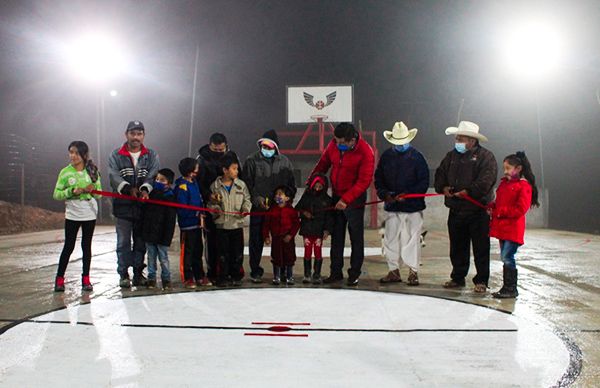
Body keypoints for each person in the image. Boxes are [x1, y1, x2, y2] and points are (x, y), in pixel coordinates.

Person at [434, 121, 497, 293]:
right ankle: (458, 277)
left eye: (460, 138)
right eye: (457, 138)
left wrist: (469, 192)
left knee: (481, 248)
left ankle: (481, 280)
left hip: (478, 212)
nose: (457, 141)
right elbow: (440, 174)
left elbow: (486, 181)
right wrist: (443, 187)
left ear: (471, 140)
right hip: (456, 210)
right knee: (457, 247)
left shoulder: (486, 157)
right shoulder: (451, 157)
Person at [308, 122, 375, 286]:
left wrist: (347, 200)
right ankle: (335, 272)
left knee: (355, 237)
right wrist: (312, 181)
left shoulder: (366, 152)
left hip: (354, 199)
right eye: (336, 141)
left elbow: (364, 181)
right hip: (336, 195)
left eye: (342, 143)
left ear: (352, 140)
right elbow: (323, 164)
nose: (338, 145)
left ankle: (354, 273)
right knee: (336, 237)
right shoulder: (334, 145)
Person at [375, 122, 429, 286]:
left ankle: (413, 272)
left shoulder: (417, 157)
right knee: (390, 239)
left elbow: (424, 181)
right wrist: (386, 195)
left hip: (413, 207)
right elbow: (379, 180)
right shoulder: (386, 157)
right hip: (393, 207)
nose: (400, 145)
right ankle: (393, 270)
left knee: (412, 239)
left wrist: (409, 195)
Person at [108, 120, 160, 288]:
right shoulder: (116, 155)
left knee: (140, 242)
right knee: (123, 242)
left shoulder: (151, 155)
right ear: (126, 135)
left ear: (143, 136)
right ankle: (123, 274)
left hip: (143, 207)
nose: (136, 137)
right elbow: (113, 176)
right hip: (123, 207)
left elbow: (153, 174)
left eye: (139, 134)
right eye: (133, 133)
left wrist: (145, 190)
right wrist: (128, 188)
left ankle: (138, 273)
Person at [242, 129, 296, 283]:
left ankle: (284, 270)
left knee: (282, 241)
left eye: (269, 146)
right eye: (263, 146)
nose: (266, 149)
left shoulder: (285, 162)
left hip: (279, 210)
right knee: (256, 240)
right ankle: (255, 270)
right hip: (259, 209)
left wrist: (286, 201)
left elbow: (291, 185)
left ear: (276, 147)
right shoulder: (251, 160)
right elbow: (246, 184)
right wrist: (256, 199)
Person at [52, 141, 102, 292]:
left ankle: (86, 279)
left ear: (84, 155)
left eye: (76, 153)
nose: (72, 156)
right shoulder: (65, 172)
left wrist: (93, 189)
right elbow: (56, 194)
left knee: (86, 246)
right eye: (71, 152)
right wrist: (71, 191)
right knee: (69, 246)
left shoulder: (92, 170)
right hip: (73, 213)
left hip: (89, 213)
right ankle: (59, 279)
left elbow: (99, 193)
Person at [489, 151, 539, 298]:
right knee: (505, 256)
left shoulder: (523, 186)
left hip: (512, 229)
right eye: (504, 168)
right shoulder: (504, 184)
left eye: (508, 168)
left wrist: (500, 212)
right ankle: (507, 287)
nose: (505, 171)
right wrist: (492, 206)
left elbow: (520, 209)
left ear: (518, 169)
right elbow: (500, 202)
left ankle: (511, 288)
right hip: (502, 228)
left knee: (507, 256)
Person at [196, 133, 241, 283]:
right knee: (213, 240)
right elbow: (199, 183)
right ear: (210, 146)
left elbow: (240, 178)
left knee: (232, 242)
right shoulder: (202, 160)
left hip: (231, 207)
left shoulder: (232, 156)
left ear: (226, 146)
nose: (219, 152)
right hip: (212, 207)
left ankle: (232, 272)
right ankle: (214, 272)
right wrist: (209, 196)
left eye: (221, 149)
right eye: (216, 149)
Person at [208, 154, 251, 287]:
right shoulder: (215, 186)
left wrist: (245, 208)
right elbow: (210, 204)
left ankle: (236, 276)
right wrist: (215, 210)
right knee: (222, 254)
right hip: (222, 227)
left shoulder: (241, 185)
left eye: (237, 169)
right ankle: (222, 277)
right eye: (234, 169)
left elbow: (247, 199)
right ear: (225, 170)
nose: (236, 171)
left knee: (237, 253)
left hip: (236, 225)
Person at [174, 157, 209, 289]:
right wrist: (194, 214)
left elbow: (198, 200)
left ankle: (199, 275)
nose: (197, 170)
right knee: (187, 252)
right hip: (187, 225)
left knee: (197, 250)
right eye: (196, 168)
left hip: (197, 224)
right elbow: (182, 208)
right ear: (189, 171)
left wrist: (201, 213)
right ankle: (187, 277)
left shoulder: (194, 183)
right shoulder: (181, 186)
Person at [141, 168, 177, 290]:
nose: (158, 182)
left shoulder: (171, 198)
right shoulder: (151, 195)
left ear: (169, 183)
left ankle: (166, 279)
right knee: (151, 257)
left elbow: (170, 221)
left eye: (162, 180)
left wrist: (167, 238)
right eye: (157, 179)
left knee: (163, 258)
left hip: (162, 236)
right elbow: (146, 215)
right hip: (150, 234)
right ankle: (151, 278)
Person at [294, 174, 333, 284]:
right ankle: (307, 274)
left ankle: (316, 274)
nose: (317, 189)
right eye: (315, 186)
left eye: (320, 187)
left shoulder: (327, 200)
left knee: (318, 252)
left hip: (319, 231)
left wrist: (327, 230)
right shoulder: (306, 196)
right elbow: (297, 209)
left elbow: (329, 217)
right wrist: (303, 213)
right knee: (307, 251)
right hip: (307, 229)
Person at [262, 185, 300, 285]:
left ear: (287, 198)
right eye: (276, 194)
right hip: (276, 238)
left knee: (289, 257)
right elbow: (266, 224)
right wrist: (266, 236)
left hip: (288, 238)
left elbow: (296, 224)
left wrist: (291, 235)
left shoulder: (291, 211)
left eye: (280, 194)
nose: (277, 196)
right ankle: (276, 276)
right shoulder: (271, 210)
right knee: (276, 257)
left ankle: (289, 276)